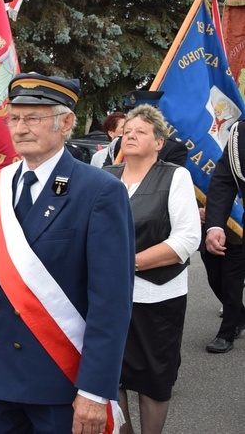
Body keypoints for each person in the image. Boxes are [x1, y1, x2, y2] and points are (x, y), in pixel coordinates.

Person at [0, 73, 135, 434]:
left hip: (60, 382)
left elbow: (110, 303)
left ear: (66, 122)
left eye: (32, 118)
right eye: (14, 118)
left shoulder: (100, 191)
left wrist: (95, 391)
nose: (20, 128)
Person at [104, 104, 200, 434]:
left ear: (159, 142)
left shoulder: (175, 176)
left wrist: (127, 262)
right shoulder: (106, 179)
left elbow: (187, 239)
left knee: (154, 380)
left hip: (157, 297)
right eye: (126, 132)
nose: (129, 135)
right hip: (109, 297)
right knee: (111, 375)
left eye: (140, 132)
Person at [204, 120, 245, 353]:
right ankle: (231, 325)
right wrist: (215, 226)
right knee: (222, 278)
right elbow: (224, 181)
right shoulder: (241, 132)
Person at [104, 91, 188, 167]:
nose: (131, 136)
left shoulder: (172, 148)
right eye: (132, 115)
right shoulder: (119, 143)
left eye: (143, 116)